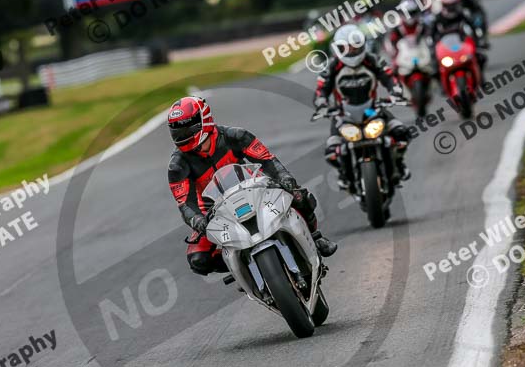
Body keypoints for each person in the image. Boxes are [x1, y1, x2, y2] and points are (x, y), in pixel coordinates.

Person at [167, 96, 338, 276]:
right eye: (177, 131)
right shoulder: (178, 165)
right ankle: (242, 266)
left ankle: (316, 238)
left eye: (187, 129)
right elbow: (185, 203)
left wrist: (284, 177)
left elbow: (267, 160)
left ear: (204, 120)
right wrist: (197, 220)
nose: (182, 136)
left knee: (300, 196)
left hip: (255, 189)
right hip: (213, 211)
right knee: (198, 259)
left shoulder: (236, 136)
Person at [313, 24, 412, 189]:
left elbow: (389, 77)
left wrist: (395, 92)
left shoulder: (372, 60)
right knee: (331, 151)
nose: (351, 51)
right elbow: (321, 89)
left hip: (372, 109)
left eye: (354, 47)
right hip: (343, 114)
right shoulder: (332, 66)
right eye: (346, 48)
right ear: (338, 48)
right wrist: (322, 104)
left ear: (362, 45)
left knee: (402, 132)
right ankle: (345, 175)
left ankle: (399, 164)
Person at [428, 0, 488, 70]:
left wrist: (478, 41)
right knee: (434, 68)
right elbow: (431, 35)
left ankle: (480, 80)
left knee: (480, 58)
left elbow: (474, 29)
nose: (451, 8)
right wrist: (432, 47)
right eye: (448, 5)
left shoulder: (462, 15)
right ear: (443, 5)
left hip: (462, 44)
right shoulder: (438, 18)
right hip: (445, 48)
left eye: (453, 5)